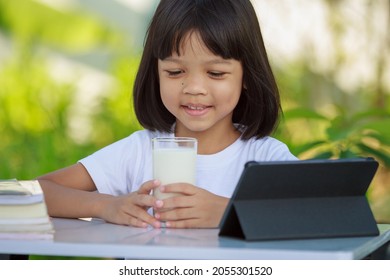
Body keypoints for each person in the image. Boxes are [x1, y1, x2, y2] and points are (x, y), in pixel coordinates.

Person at [38, 0, 297, 229]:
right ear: (156, 73)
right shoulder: (139, 152)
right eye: (175, 72)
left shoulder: (265, 158)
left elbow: (320, 211)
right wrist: (105, 205)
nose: (194, 88)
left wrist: (228, 212)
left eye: (216, 73)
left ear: (247, 76)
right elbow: (36, 191)